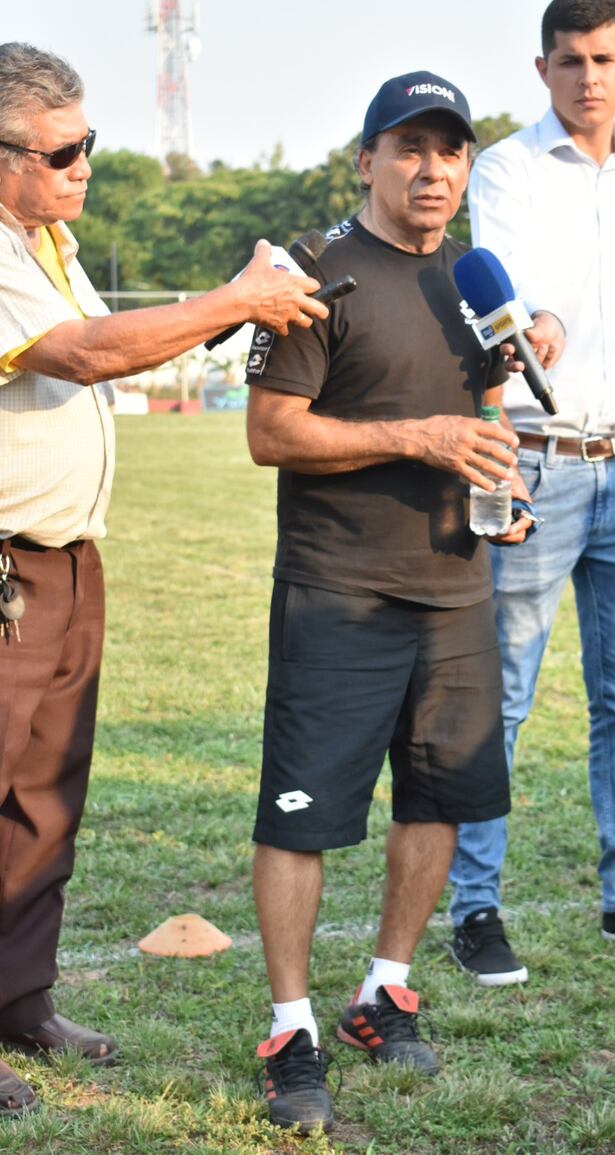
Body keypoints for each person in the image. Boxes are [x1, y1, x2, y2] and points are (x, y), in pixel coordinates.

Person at [0, 41, 328, 1119]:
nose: (83, 166)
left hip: (66, 558)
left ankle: (19, 1003)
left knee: (47, 797)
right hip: (4, 563)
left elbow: (124, 344)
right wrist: (232, 295)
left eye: (88, 142)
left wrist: (241, 308)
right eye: (60, 151)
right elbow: (87, 354)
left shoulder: (46, 237)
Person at [243, 69, 564, 1135]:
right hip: (338, 594)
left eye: (451, 152)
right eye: (410, 149)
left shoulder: (472, 285)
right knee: (302, 817)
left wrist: (498, 493)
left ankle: (383, 991)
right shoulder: (313, 275)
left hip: (453, 591)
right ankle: (290, 1029)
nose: (432, 171)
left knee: (436, 799)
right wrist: (412, 437)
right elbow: (271, 434)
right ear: (367, 160)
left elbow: (480, 419)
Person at [448, 0, 615, 989]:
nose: (586, 77)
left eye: (602, 58)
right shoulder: (508, 170)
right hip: (539, 463)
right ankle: (474, 908)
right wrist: (539, 325)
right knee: (505, 694)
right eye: (568, 60)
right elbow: (504, 290)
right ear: (542, 67)